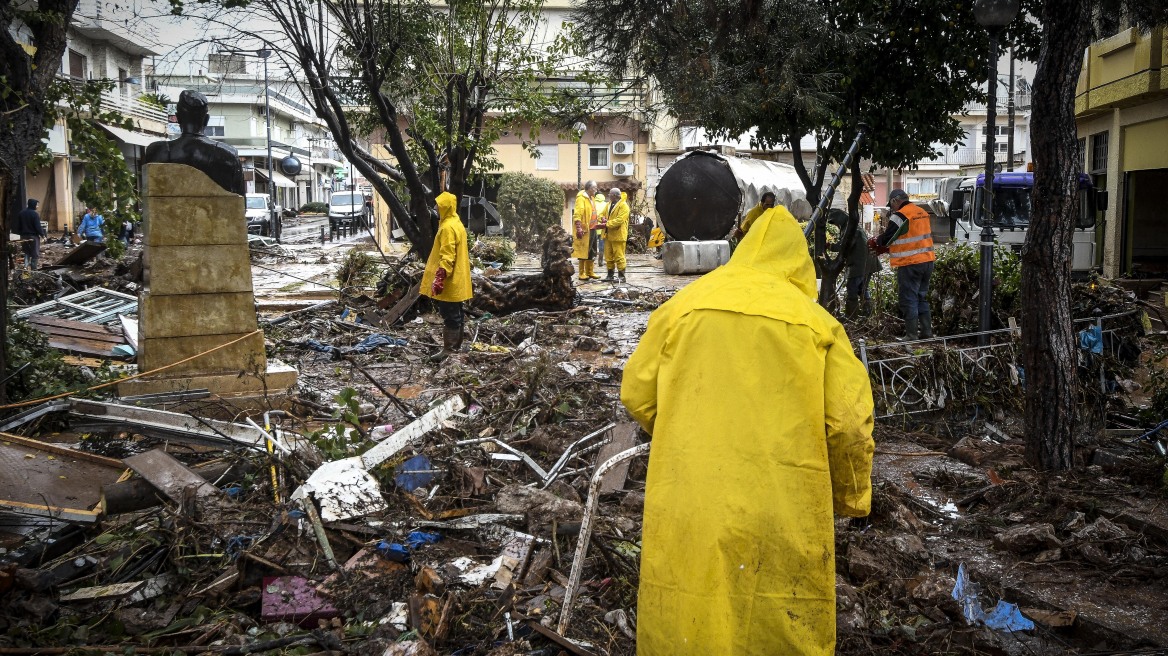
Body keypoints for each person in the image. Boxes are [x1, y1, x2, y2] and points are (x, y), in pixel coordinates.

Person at [622, 204, 875, 656]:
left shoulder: (683, 306)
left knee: (691, 611)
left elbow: (637, 394)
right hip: (784, 500)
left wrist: (686, 432)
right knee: (778, 617)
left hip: (691, 496)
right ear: (798, 261)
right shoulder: (817, 324)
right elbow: (849, 424)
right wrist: (849, 497)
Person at [144, 89, 245, 195]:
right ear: (206, 119)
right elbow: (240, 205)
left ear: (178, 118)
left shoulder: (156, 152)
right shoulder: (228, 155)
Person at [870, 188, 935, 339]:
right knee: (921, 298)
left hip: (910, 263)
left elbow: (888, 237)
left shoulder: (900, 215)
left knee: (909, 298)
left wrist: (876, 242)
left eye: (891, 204)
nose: (891, 208)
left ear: (895, 200)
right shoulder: (922, 212)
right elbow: (909, 237)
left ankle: (911, 335)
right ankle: (927, 332)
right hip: (927, 261)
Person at [420, 192, 472, 362]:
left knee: (450, 314)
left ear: (445, 207)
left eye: (438, 205)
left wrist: (440, 278)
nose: (435, 208)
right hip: (459, 279)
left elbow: (447, 256)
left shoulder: (448, 228)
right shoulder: (456, 223)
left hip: (450, 281)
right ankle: (456, 347)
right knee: (457, 312)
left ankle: (449, 351)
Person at [828, 209, 880, 318]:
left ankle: (852, 317)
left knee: (852, 289)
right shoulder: (852, 226)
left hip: (859, 264)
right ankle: (867, 316)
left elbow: (845, 245)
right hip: (867, 264)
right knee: (862, 289)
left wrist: (831, 246)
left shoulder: (851, 229)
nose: (836, 226)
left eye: (836, 223)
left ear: (840, 221)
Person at [571, 180, 600, 280]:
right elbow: (577, 213)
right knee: (584, 251)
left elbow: (593, 213)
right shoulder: (581, 198)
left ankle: (590, 271)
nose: (596, 189)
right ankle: (581, 273)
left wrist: (600, 219)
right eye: (594, 188)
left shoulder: (592, 198)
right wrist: (578, 227)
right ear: (588, 188)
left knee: (592, 250)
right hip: (585, 229)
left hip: (593, 228)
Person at [601, 187, 629, 282]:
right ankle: (610, 275)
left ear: (615, 195)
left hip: (618, 235)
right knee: (608, 256)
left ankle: (621, 276)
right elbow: (602, 214)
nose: (608, 195)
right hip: (608, 234)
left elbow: (620, 220)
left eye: (610, 194)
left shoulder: (624, 206)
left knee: (619, 256)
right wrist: (602, 219)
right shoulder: (609, 204)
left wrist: (607, 223)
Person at [16, 198, 46, 271]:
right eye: (37, 205)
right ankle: (33, 271)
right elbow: (38, 226)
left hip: (23, 237)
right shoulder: (35, 214)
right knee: (34, 254)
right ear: (33, 205)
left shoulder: (21, 213)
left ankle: (25, 269)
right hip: (33, 237)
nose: (37, 206)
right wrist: (43, 235)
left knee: (27, 252)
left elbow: (18, 226)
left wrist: (21, 234)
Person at [593, 191, 608, 270]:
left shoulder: (592, 203)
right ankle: (600, 261)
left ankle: (591, 261)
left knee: (593, 245)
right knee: (601, 246)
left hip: (594, 228)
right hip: (603, 228)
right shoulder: (606, 204)